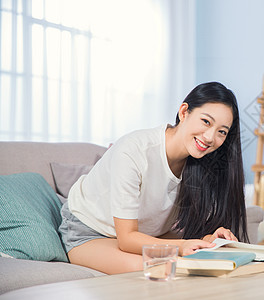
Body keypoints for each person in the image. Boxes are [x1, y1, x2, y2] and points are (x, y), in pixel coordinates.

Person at [59, 82, 248, 274]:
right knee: (158, 270)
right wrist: (181, 247)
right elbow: (127, 239)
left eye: (221, 132)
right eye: (206, 121)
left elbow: (178, 231)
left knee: (203, 266)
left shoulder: (202, 165)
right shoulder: (133, 151)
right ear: (184, 112)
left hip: (143, 235)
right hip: (89, 232)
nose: (210, 137)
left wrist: (208, 241)